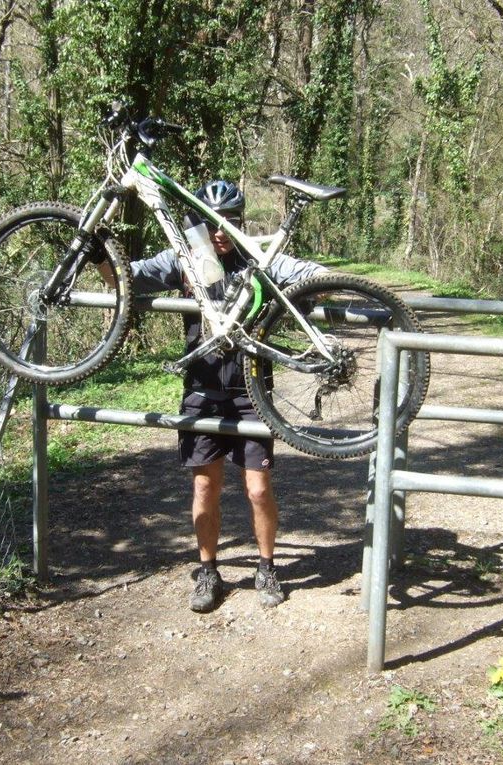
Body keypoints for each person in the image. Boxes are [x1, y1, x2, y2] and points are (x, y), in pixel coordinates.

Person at [128, 180, 326, 612]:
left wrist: (325, 288)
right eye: (211, 222)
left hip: (251, 392)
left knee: (257, 488)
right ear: (198, 222)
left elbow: (313, 275)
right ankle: (208, 572)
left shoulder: (260, 258)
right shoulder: (184, 258)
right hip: (201, 389)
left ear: (241, 222)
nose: (220, 231)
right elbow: (129, 277)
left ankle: (267, 567)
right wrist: (94, 253)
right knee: (204, 487)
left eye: (230, 221)